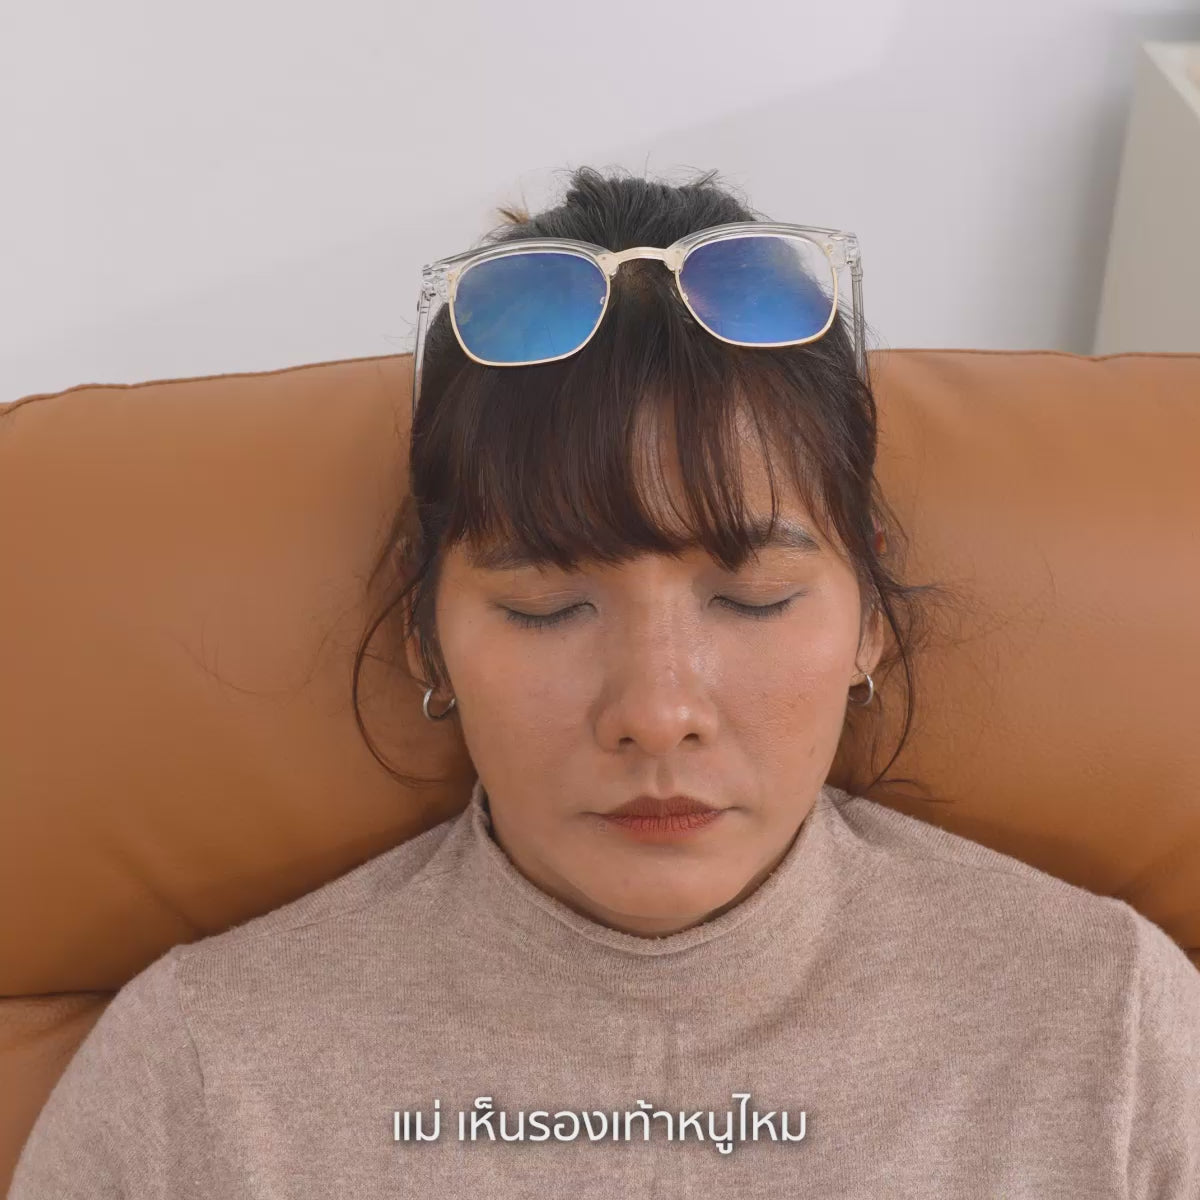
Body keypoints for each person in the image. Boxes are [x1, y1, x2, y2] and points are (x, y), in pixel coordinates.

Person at [8, 166, 1199, 1199]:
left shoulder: (1110, 1025)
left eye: (753, 598)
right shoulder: (202, 1073)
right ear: (426, 634)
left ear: (869, 623)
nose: (657, 713)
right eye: (545, 606)